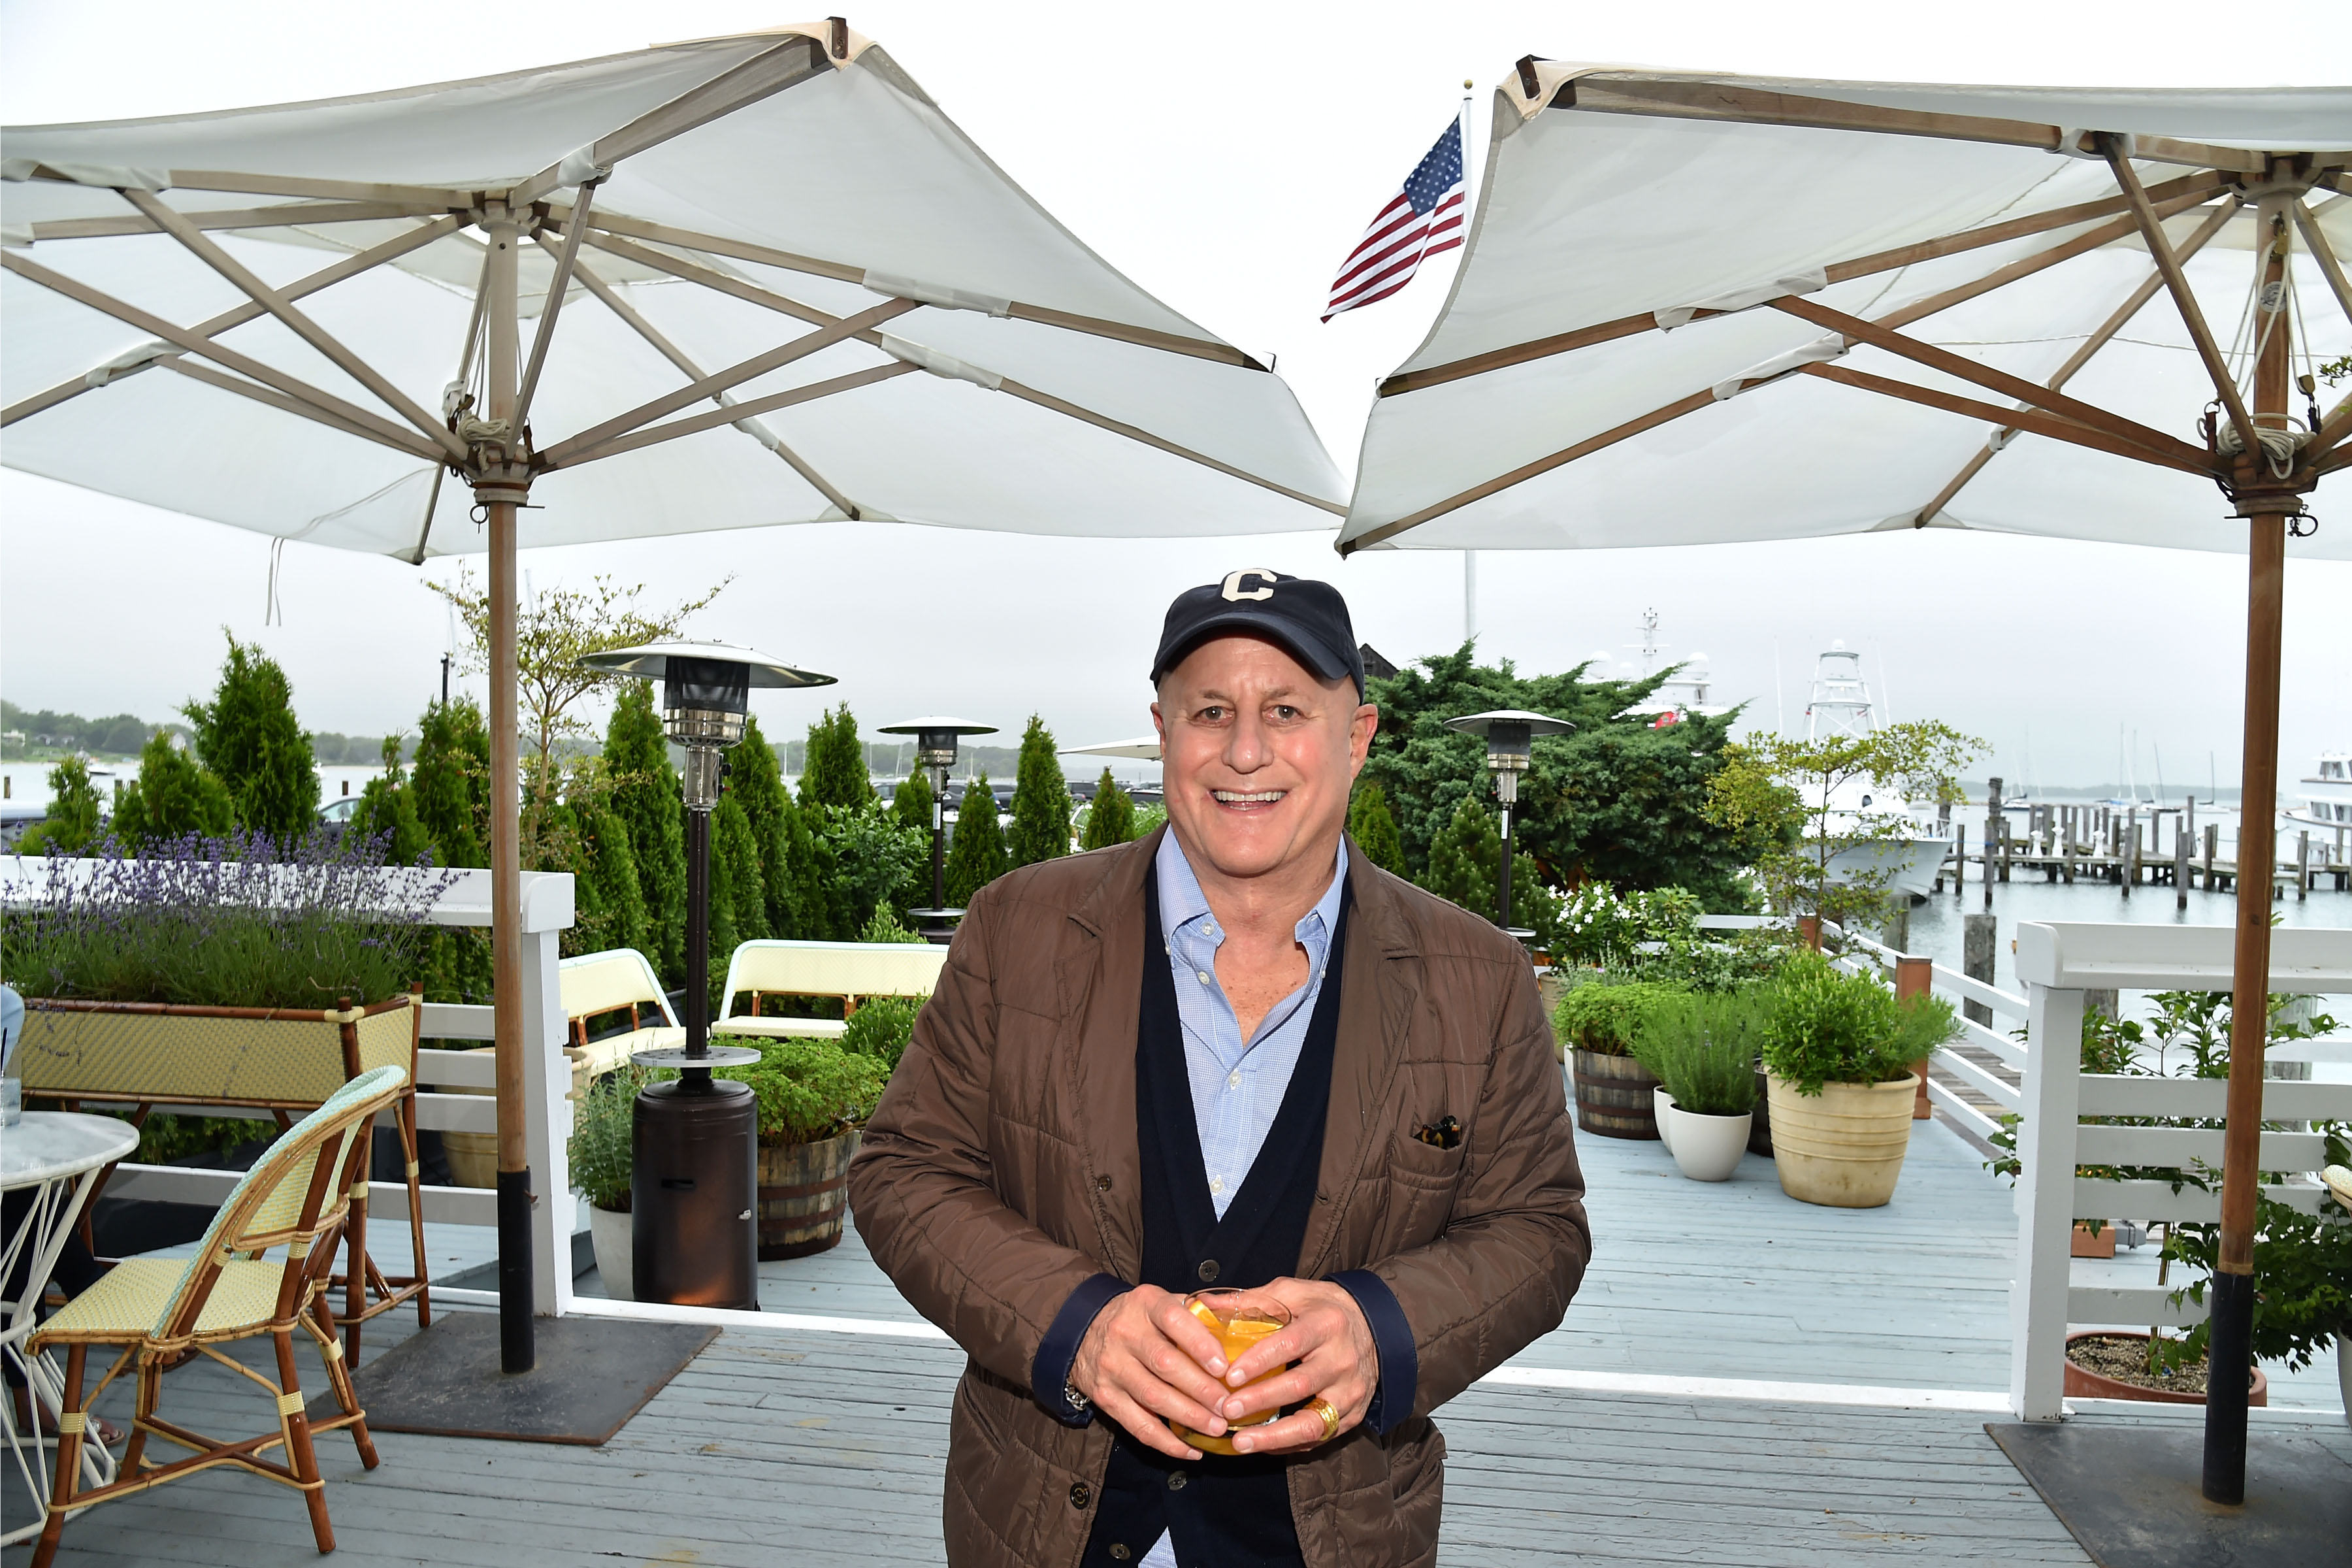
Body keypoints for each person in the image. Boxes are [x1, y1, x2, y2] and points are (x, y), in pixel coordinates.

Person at [848, 569, 1589, 1568]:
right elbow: (903, 1171)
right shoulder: (1016, 928)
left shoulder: (1480, 978)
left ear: (1356, 738)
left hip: (1339, 1534)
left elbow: (1538, 1230)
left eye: (1286, 710)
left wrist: (1386, 1330)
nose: (1245, 751)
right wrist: (1075, 1325)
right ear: (1164, 733)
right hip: (1036, 1525)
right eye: (1211, 712)